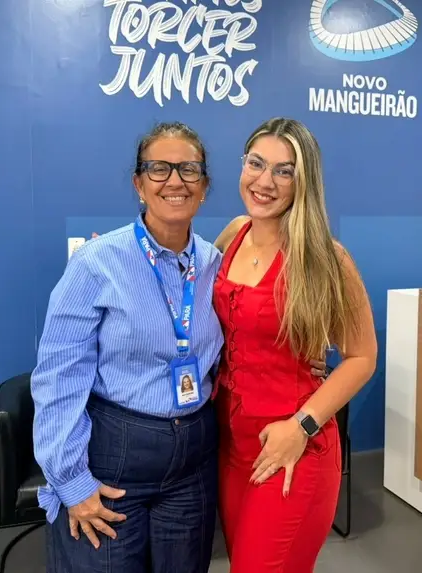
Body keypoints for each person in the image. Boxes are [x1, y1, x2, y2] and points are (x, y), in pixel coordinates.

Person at [31, 121, 329, 573]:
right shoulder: (97, 264)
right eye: (159, 169)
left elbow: (248, 332)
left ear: (204, 187)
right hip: (115, 459)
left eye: (189, 170)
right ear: (139, 184)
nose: (175, 181)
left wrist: (303, 362)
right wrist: (71, 482)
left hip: (194, 463)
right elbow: (58, 380)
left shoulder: (216, 263)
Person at [213, 117, 377, 572]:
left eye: (284, 171)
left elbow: (362, 357)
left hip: (295, 447)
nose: (264, 181)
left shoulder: (326, 257)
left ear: (303, 181)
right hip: (231, 449)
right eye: (256, 163)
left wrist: (301, 427)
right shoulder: (232, 235)